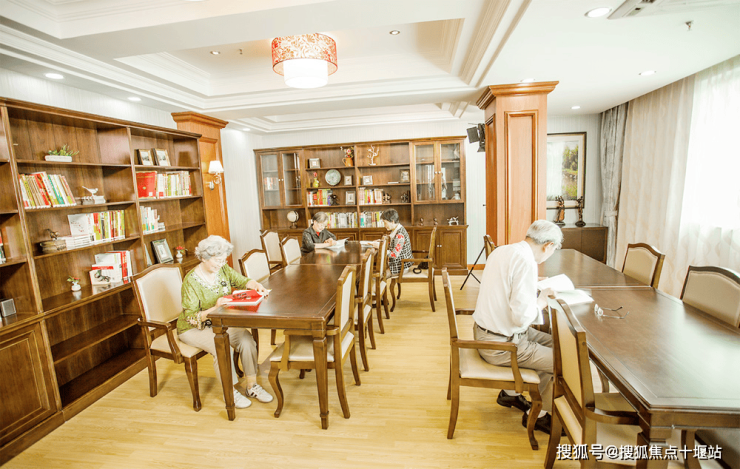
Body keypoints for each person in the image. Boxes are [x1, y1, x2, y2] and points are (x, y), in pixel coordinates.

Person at [471, 220, 562, 434]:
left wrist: (532, 285)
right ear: (548, 245)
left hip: (487, 333)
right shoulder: (526, 262)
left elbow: (506, 286)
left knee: (558, 344)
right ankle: (539, 415)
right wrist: (542, 299)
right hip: (501, 345)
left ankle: (510, 394)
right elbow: (522, 318)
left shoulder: (502, 251)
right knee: (561, 361)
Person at [177, 235, 273, 409]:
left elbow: (242, 281)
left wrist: (255, 285)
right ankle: (230, 392)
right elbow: (191, 316)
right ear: (203, 257)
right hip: (193, 328)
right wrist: (215, 308)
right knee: (222, 346)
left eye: (223, 260)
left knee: (247, 340)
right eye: (217, 260)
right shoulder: (191, 281)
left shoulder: (223, 269)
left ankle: (252, 386)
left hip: (219, 324)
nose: (221, 264)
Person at [371, 209, 412, 276]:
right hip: (398, 264)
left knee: (380, 276)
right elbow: (394, 244)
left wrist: (380, 247)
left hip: (401, 267)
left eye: (385, 223)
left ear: (392, 221)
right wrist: (381, 243)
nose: (384, 225)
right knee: (378, 274)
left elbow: (394, 255)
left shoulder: (400, 235)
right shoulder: (397, 229)